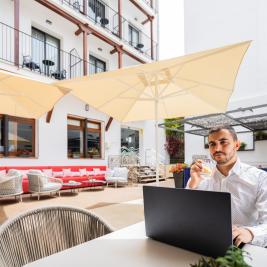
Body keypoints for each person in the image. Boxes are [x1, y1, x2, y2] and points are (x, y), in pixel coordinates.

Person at [187, 125, 267, 247]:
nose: (217, 148)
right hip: (205, 243)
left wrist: (250, 232)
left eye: (223, 142)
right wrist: (193, 183)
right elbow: (188, 215)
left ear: (237, 145)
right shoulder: (201, 178)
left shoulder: (260, 178)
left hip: (243, 248)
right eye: (212, 144)